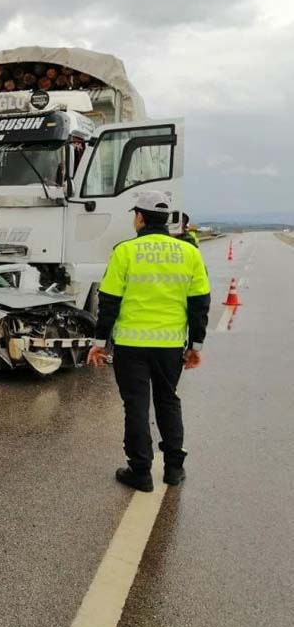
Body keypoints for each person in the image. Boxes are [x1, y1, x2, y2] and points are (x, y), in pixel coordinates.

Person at [87, 190, 210, 492]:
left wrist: (100, 343)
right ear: (166, 220)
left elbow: (109, 302)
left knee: (137, 405)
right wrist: (196, 347)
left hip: (131, 346)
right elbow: (200, 304)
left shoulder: (125, 252)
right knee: (168, 401)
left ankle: (140, 472)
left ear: (139, 217)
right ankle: (173, 469)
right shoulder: (190, 253)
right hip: (170, 346)